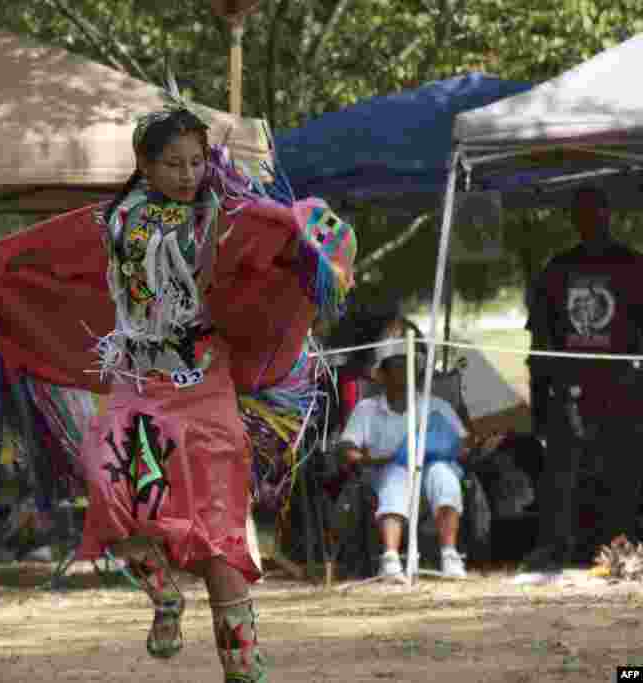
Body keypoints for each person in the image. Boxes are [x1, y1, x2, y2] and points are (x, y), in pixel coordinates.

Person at [75, 90, 293, 683]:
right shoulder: (128, 218)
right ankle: (166, 597)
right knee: (109, 487)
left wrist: (267, 216)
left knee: (219, 535)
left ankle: (243, 669)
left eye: (197, 162)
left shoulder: (217, 210)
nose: (188, 174)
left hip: (206, 388)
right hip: (142, 385)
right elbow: (177, 248)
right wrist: (231, 209)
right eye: (174, 163)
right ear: (145, 166)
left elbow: (242, 266)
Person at [523, 186, 643, 570]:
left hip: (623, 389)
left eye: (596, 211)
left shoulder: (633, 266)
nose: (590, 220)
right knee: (562, 475)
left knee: (621, 473)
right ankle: (560, 548)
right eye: (582, 213)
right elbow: (540, 342)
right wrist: (541, 401)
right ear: (574, 219)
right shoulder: (557, 270)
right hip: (568, 390)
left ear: (609, 214)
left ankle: (620, 547)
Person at [336, 322, 502, 581]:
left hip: (431, 476)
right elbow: (347, 450)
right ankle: (390, 560)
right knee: (396, 475)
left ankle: (449, 554)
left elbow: (463, 445)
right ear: (383, 374)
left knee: (443, 474)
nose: (406, 372)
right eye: (399, 366)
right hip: (384, 475)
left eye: (410, 365)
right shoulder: (367, 409)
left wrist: (476, 445)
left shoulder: (437, 406)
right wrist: (377, 459)